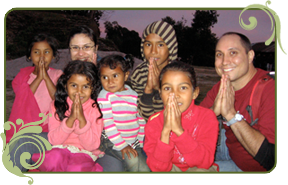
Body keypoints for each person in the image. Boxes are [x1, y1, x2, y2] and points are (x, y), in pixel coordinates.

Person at [9, 27, 124, 172]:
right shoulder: (67, 75)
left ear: (95, 48)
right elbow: (57, 108)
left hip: (98, 144)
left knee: (113, 169)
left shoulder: (110, 73)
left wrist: (95, 74)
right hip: (63, 141)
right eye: (75, 48)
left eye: (86, 47)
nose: (81, 53)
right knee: (23, 142)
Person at [200, 32, 275, 171]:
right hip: (229, 147)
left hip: (250, 168)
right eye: (219, 54)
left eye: (233, 53)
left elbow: (271, 159)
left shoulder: (271, 89)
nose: (224, 61)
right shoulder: (221, 87)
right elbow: (190, 126)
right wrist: (212, 112)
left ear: (250, 56)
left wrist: (231, 115)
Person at [144, 61, 219, 172]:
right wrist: (165, 131)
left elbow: (204, 162)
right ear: (160, 93)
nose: (175, 94)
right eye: (167, 88)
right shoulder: (153, 122)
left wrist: (179, 131)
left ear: (195, 93)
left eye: (183, 88)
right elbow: (157, 168)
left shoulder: (207, 117)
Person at [30, 60, 104, 171]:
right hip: (60, 149)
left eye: (85, 87)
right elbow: (54, 140)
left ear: (93, 88)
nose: (79, 91)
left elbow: (92, 146)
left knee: (77, 168)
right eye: (74, 85)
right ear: (65, 85)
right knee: (52, 160)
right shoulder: (57, 105)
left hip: (84, 153)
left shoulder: (95, 109)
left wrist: (81, 120)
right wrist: (71, 119)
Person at [6, 33, 63, 144]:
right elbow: (21, 99)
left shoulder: (58, 75)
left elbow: (58, 98)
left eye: (46, 52)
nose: (42, 56)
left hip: (49, 126)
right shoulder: (23, 75)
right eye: (36, 52)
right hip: (25, 125)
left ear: (53, 55)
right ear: (29, 56)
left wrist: (46, 77)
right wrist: (38, 78)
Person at [97, 55, 150, 172]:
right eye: (105, 77)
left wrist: (140, 143)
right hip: (112, 142)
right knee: (134, 162)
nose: (110, 81)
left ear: (126, 75)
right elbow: (108, 124)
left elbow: (140, 119)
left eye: (115, 76)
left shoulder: (134, 95)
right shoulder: (104, 96)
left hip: (133, 142)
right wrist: (123, 145)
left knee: (145, 168)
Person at [129, 21, 178, 121]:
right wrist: (148, 91)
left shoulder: (179, 75)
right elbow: (146, 118)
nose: (153, 51)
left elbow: (171, 116)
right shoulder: (139, 74)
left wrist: (158, 90)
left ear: (171, 47)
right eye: (148, 44)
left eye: (160, 45)